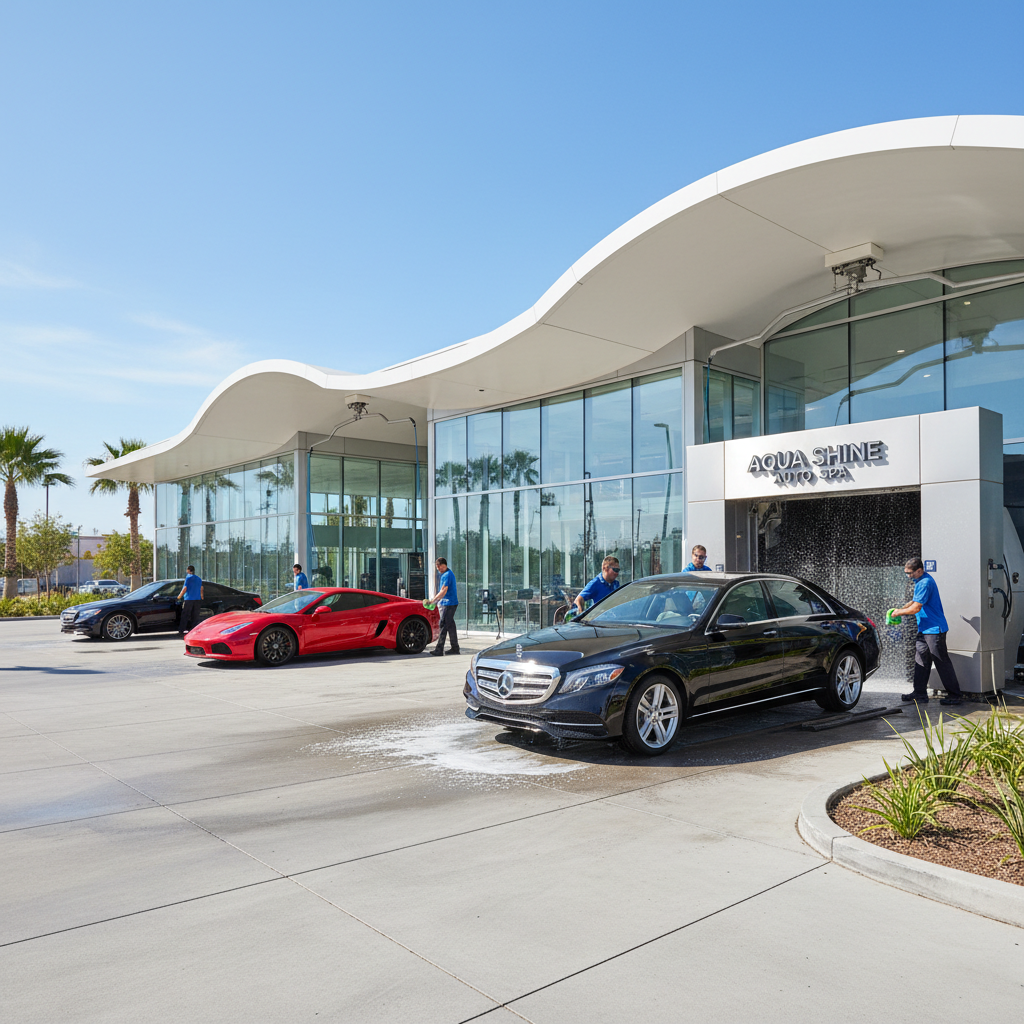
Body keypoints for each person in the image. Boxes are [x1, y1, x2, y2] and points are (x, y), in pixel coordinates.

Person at [891, 556, 963, 706]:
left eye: (910, 573)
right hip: (925, 629)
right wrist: (901, 608)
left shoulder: (925, 582)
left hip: (934, 630)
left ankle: (955, 695)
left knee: (941, 662)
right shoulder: (919, 580)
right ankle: (919, 693)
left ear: (919, 570)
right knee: (921, 660)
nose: (908, 576)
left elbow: (916, 608)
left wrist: (898, 613)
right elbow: (915, 601)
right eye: (906, 573)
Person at [429, 557, 461, 656]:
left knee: (443, 624)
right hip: (451, 603)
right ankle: (455, 648)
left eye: (439, 566)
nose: (438, 569)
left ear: (444, 565)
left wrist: (433, 600)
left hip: (449, 603)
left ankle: (439, 649)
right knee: (450, 625)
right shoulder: (447, 574)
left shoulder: (447, 575)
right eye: (437, 567)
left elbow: (444, 590)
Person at [177, 565, 203, 637]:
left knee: (185, 615)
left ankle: (182, 630)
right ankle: (194, 630)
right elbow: (201, 588)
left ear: (188, 570)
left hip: (189, 599)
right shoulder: (199, 578)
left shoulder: (188, 577)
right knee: (195, 616)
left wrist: (179, 597)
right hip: (197, 599)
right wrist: (201, 596)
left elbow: (185, 588)